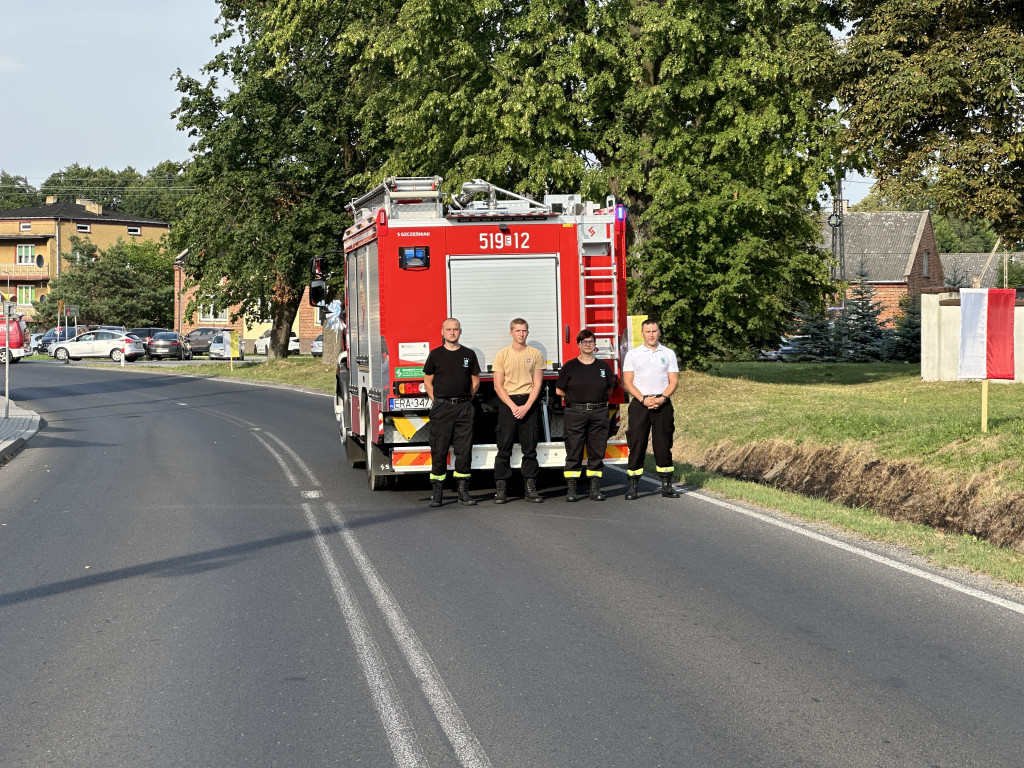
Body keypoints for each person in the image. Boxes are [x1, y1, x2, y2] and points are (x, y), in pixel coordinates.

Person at [423, 317, 481, 507]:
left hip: (464, 407)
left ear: (460, 331)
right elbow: (428, 382)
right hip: (442, 408)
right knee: (439, 449)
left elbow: (475, 381)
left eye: (455, 329)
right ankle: (437, 491)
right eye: (449, 329)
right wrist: (438, 402)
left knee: (464, 451)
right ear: (442, 332)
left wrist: (465, 400)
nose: (452, 332)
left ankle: (463, 491)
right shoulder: (435, 355)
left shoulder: (469, 354)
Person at [622, 318, 680, 500]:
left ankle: (667, 485)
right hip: (640, 404)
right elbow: (628, 382)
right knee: (637, 444)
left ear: (659, 332)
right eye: (648, 332)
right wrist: (643, 399)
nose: (652, 335)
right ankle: (633, 486)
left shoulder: (669, 353)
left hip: (662, 404)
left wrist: (662, 398)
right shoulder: (633, 354)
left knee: (663, 445)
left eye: (654, 331)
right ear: (642, 334)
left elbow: (674, 381)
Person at [556, 329, 614, 502]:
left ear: (595, 344)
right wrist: (578, 401)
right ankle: (572, 490)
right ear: (578, 345)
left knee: (597, 450)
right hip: (575, 412)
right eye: (584, 342)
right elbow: (559, 390)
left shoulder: (603, 367)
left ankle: (595, 489)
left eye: (590, 341)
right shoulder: (570, 366)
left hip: (599, 412)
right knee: (574, 449)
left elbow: (609, 389)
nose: (588, 344)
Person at [492, 317, 545, 503]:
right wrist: (514, 407)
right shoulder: (502, 355)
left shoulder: (536, 354)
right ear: (511, 333)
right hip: (509, 404)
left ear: (527, 332)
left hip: (528, 403)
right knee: (504, 447)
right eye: (517, 330)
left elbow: (538, 383)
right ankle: (501, 489)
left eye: (524, 331)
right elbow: (498, 386)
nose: (521, 334)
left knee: (530, 449)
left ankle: (530, 488)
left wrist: (527, 406)